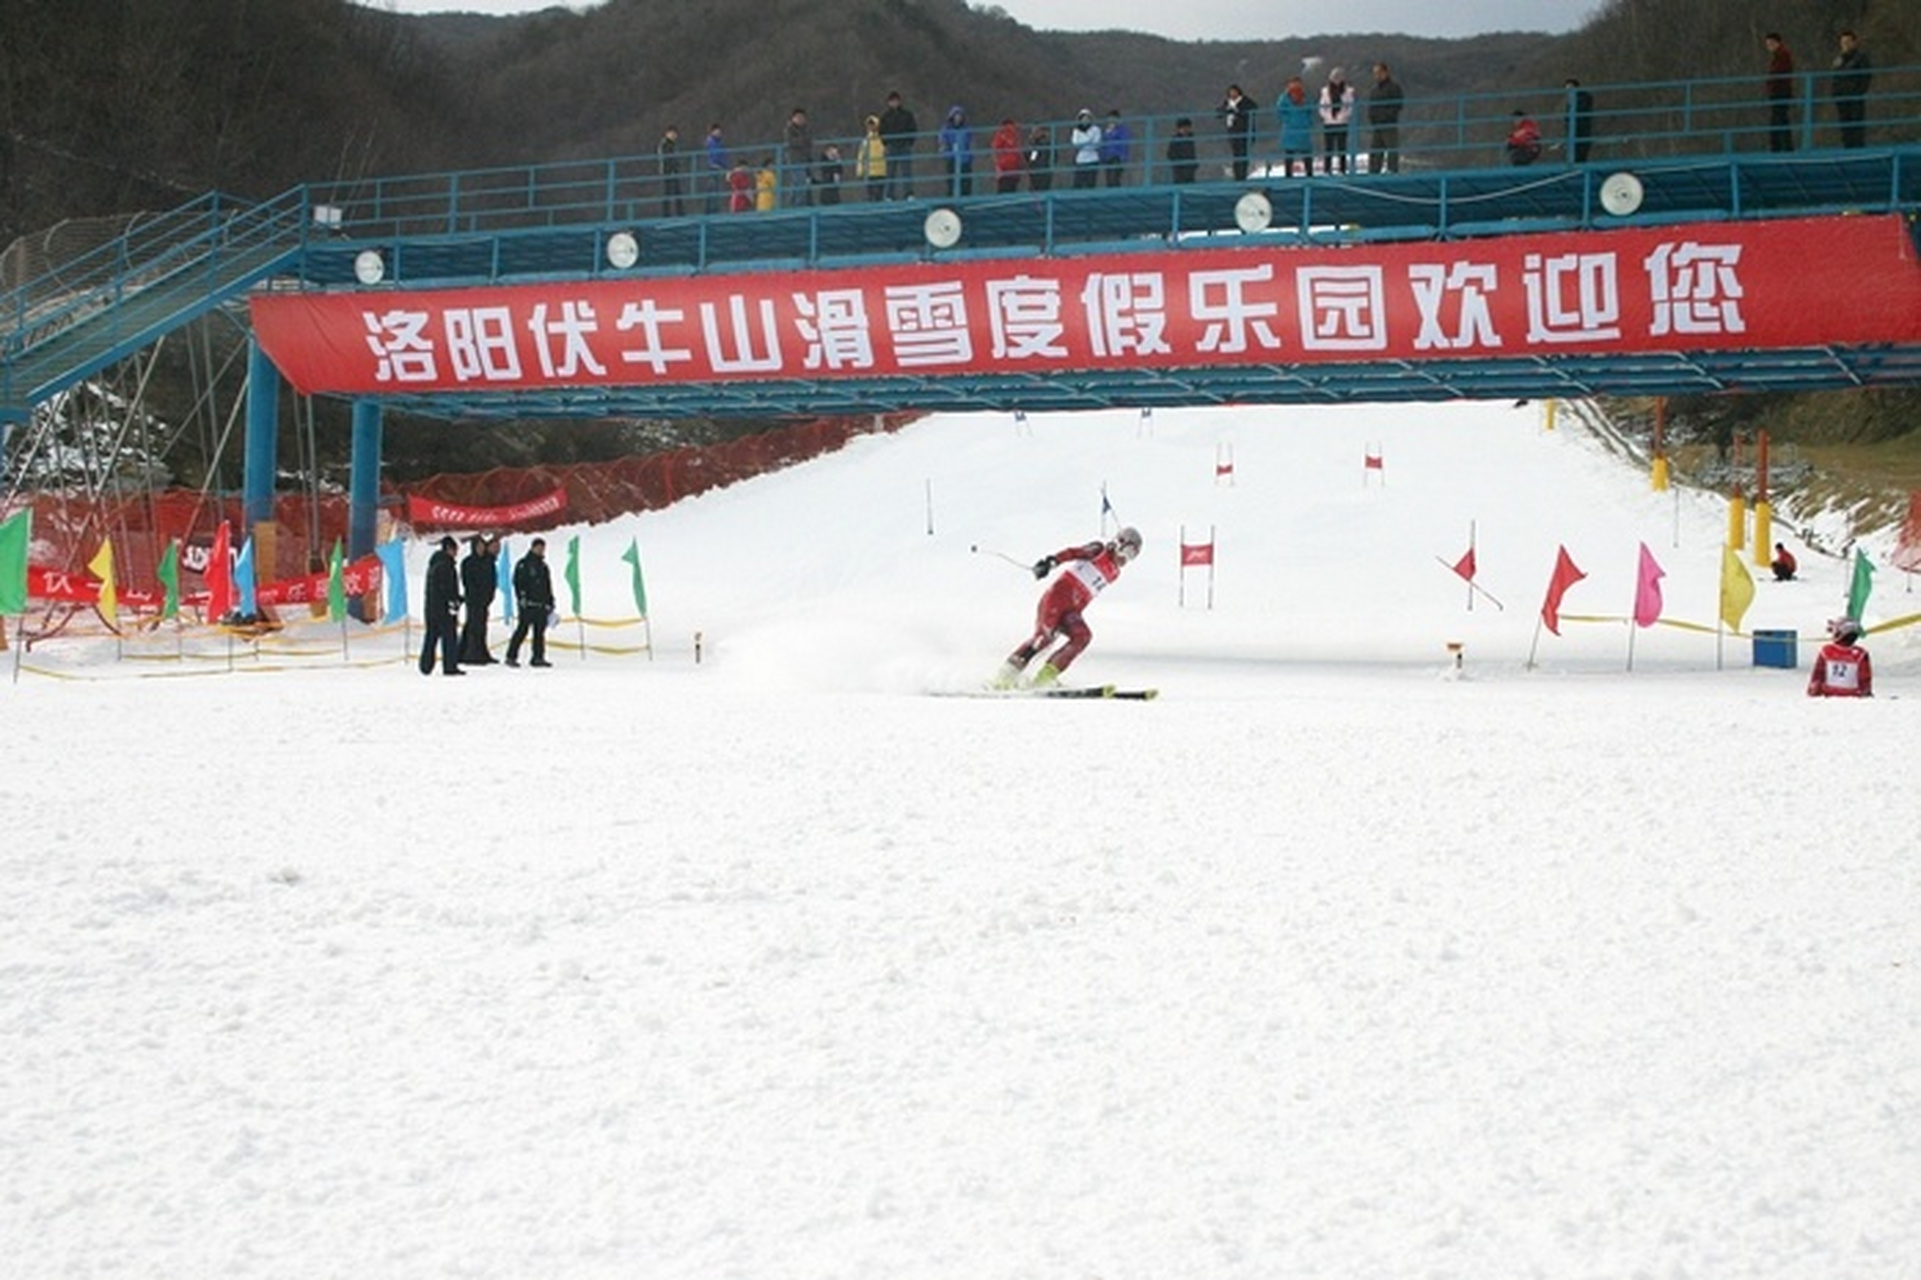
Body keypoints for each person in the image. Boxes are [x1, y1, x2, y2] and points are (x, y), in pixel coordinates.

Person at [992, 527, 1142, 689]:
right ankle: (1004, 677)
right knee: (1043, 639)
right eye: (1127, 552)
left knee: (1082, 637)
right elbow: (1073, 552)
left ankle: (1045, 678)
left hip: (1072, 611)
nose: (1126, 559)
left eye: (1132, 556)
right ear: (1118, 543)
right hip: (1056, 600)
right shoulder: (1099, 550)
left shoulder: (1115, 573)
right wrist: (1052, 562)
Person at [505, 537, 555, 668]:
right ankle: (511, 655)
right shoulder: (524, 564)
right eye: (539, 548)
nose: (541, 551)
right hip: (528, 604)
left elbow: (547, 585)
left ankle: (538, 657)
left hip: (541, 604)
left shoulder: (543, 566)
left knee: (539, 632)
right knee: (522, 629)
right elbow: (518, 583)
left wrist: (550, 601)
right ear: (533, 548)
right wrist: (522, 598)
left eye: (543, 548)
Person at [418, 535, 463, 676]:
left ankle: (426, 665)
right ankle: (450, 666)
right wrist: (455, 600)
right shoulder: (446, 566)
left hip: (431, 608)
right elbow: (447, 589)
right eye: (455, 550)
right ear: (449, 549)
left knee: (431, 636)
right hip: (443, 609)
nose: (456, 553)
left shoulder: (434, 565)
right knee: (449, 637)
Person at [458, 533, 498, 666]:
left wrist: (489, 595)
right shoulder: (468, 562)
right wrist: (476, 595)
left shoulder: (488, 562)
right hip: (473, 600)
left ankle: (481, 652)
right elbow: (467, 582)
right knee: (474, 626)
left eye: (482, 546)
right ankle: (471, 654)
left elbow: (492, 580)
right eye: (479, 546)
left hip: (485, 600)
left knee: (482, 626)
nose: (481, 549)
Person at [1807, 616, 1872, 697]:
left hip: (1828, 694)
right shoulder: (1861, 654)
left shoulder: (1826, 651)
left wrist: (1813, 691)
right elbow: (1864, 679)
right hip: (1853, 696)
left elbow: (1818, 675)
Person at [1831, 30, 1872, 149]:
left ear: (1854, 42)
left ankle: (1857, 148)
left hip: (1854, 96)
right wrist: (1835, 92)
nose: (1845, 44)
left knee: (1856, 123)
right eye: (1843, 42)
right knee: (1845, 125)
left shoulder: (1861, 57)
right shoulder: (1838, 60)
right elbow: (1835, 76)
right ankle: (1847, 148)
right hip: (1841, 97)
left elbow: (1866, 75)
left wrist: (1859, 91)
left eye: (1848, 41)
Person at [1367, 62, 1404, 174]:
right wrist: (1372, 118)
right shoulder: (1374, 90)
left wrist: (1386, 116)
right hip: (1377, 124)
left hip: (1389, 123)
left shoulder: (1394, 87)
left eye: (1379, 73)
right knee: (1375, 150)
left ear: (1385, 72)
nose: (1377, 75)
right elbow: (1371, 106)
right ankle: (1374, 171)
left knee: (1391, 148)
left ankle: (1392, 170)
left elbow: (1398, 105)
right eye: (1375, 73)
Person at [879, 91, 918, 199]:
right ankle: (889, 195)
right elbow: (881, 132)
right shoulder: (885, 117)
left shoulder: (907, 115)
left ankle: (909, 193)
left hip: (904, 146)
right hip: (892, 146)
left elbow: (913, 129)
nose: (894, 103)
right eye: (892, 101)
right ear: (889, 103)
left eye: (896, 101)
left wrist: (909, 142)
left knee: (907, 172)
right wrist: (887, 143)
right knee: (890, 172)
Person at [1319, 68, 1355, 175]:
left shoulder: (1347, 92)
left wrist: (1344, 116)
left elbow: (1350, 106)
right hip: (1329, 122)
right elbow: (1322, 107)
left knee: (1342, 147)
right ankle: (1327, 169)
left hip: (1342, 122)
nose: (1336, 80)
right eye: (1335, 78)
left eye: (1339, 78)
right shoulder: (1325, 92)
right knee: (1328, 147)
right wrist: (1327, 117)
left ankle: (1342, 169)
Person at [1277, 76, 1315, 176]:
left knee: (1306, 153)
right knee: (1289, 152)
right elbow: (1280, 111)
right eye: (1293, 83)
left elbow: (1311, 110)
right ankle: (1288, 174)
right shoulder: (1284, 98)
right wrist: (1288, 120)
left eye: (1297, 83)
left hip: (1303, 127)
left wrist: (1308, 121)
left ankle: (1309, 174)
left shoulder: (1305, 97)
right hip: (1290, 128)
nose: (1295, 85)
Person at [1218, 84, 1258, 181]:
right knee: (1236, 155)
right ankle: (1237, 176)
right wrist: (1227, 110)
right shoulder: (1228, 102)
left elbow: (1254, 107)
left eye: (1234, 91)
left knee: (1243, 154)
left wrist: (1237, 111)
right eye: (1231, 92)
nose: (1233, 94)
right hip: (1233, 132)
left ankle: (1242, 176)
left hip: (1244, 131)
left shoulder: (1245, 101)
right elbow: (1219, 112)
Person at [1765, 33, 1795, 153]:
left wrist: (1771, 84)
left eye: (1771, 44)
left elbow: (1779, 74)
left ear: (1777, 43)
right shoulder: (1780, 55)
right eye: (1767, 44)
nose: (1769, 47)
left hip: (1780, 91)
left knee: (1779, 119)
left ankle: (1780, 147)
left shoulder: (1782, 55)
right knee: (1779, 119)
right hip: (1779, 91)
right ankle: (1781, 147)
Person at [937, 104, 973, 198]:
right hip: (952, 159)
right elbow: (942, 142)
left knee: (966, 182)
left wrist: (970, 156)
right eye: (956, 115)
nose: (958, 118)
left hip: (965, 159)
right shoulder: (946, 129)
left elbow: (970, 143)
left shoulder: (966, 129)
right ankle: (951, 198)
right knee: (952, 181)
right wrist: (946, 151)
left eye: (960, 116)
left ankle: (966, 198)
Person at [782, 107, 815, 206]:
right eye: (798, 117)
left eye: (802, 117)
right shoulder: (789, 129)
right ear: (793, 118)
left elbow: (809, 141)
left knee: (797, 183)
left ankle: (792, 204)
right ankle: (798, 204)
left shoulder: (806, 129)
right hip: (794, 159)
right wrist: (803, 141)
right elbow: (791, 142)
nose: (801, 120)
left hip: (804, 159)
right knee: (800, 181)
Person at [856, 115, 888, 202]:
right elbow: (861, 156)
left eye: (873, 124)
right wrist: (860, 170)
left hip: (881, 171)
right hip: (869, 171)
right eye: (869, 125)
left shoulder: (883, 139)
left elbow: (886, 153)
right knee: (870, 195)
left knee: (879, 195)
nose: (871, 127)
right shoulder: (865, 141)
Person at [1069, 108, 1102, 189]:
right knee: (1078, 183)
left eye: (1087, 118)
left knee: (1091, 183)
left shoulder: (1095, 129)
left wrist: (1083, 142)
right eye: (1083, 118)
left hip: (1093, 159)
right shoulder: (1076, 131)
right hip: (1080, 160)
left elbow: (1096, 144)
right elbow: (1075, 143)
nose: (1085, 120)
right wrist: (1088, 140)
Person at [657, 124, 685, 217]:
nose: (674, 135)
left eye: (675, 134)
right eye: (672, 133)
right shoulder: (664, 144)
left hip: (674, 171)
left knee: (677, 192)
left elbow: (677, 157)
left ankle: (680, 213)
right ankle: (666, 214)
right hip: (666, 172)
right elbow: (665, 158)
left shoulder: (674, 145)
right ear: (667, 134)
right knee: (667, 193)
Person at [1564, 78, 1595, 162]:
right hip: (1577, 135)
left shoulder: (1580, 100)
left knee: (1578, 157)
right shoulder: (1573, 102)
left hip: (1580, 134)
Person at [990, 118, 1025, 194]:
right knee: (1011, 190)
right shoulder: (1015, 136)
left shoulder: (1003, 134)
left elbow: (995, 150)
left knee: (1004, 192)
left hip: (1005, 169)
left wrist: (998, 166)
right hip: (1014, 169)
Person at [703, 122, 729, 213]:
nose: (718, 133)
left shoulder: (719, 142)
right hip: (712, 167)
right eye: (716, 131)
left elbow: (723, 155)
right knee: (712, 189)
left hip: (718, 168)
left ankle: (713, 209)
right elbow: (715, 155)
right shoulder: (711, 142)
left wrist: (726, 167)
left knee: (715, 189)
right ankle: (710, 210)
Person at [1100, 110, 1131, 187]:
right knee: (1109, 178)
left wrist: (1123, 157)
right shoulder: (1106, 131)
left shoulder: (1122, 130)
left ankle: (1116, 193)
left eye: (1113, 119)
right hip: (1108, 158)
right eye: (1109, 119)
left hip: (1117, 157)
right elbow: (1103, 145)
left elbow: (1124, 143)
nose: (1111, 121)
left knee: (1114, 178)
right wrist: (1103, 157)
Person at [1166, 117, 1197, 184]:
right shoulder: (1175, 140)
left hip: (1189, 168)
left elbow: (1192, 152)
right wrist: (1179, 162)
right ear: (1178, 129)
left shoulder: (1190, 138)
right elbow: (1170, 154)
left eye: (1187, 127)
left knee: (1190, 185)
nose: (1186, 130)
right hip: (1180, 169)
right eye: (1183, 128)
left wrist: (1194, 163)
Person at [1024, 124, 1054, 191]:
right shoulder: (1036, 145)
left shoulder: (1043, 144)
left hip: (1041, 172)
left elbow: (1031, 157)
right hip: (1038, 171)